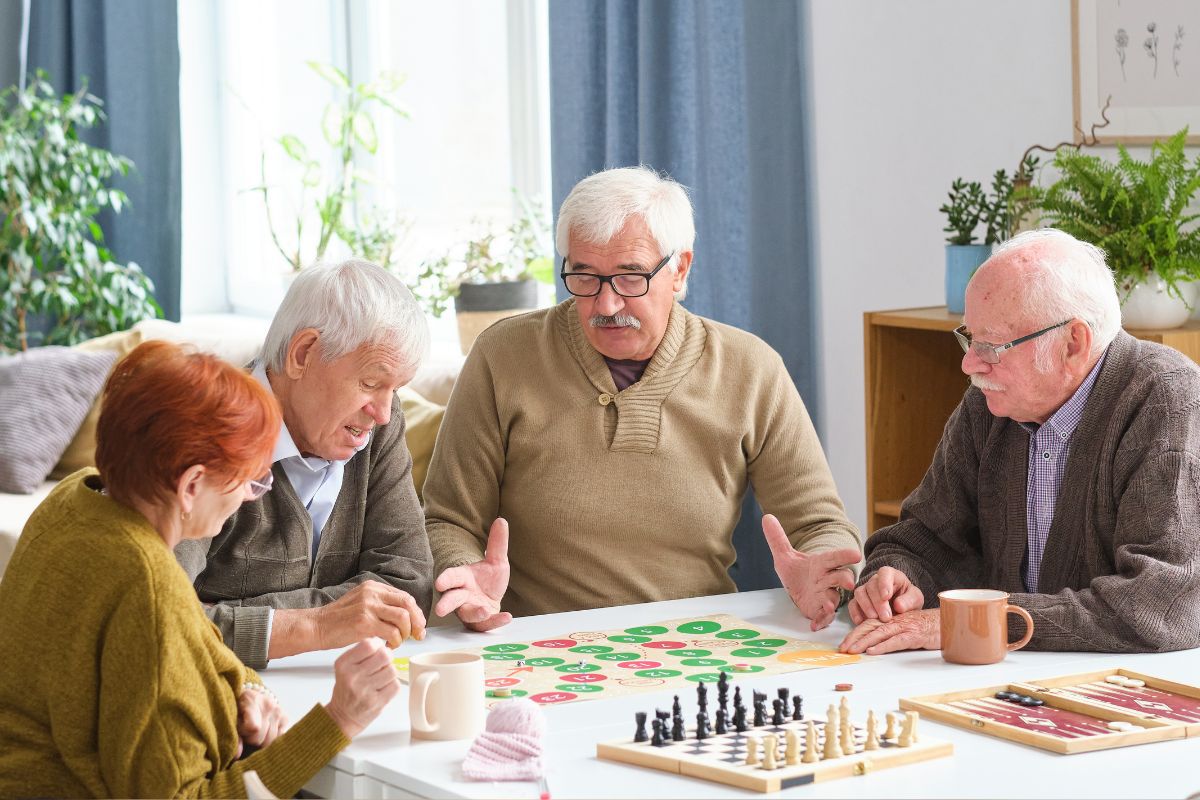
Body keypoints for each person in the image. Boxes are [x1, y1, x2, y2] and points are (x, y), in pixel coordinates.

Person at [425, 166, 861, 631]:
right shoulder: (503, 356)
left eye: (631, 276)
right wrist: (464, 575)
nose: (606, 305)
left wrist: (825, 571)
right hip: (536, 639)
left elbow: (818, 525)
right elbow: (448, 520)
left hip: (695, 642)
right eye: (584, 276)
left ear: (680, 269)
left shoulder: (750, 368)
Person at [0, 341, 401, 798]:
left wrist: (244, 688)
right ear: (191, 485)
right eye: (248, 480)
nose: (248, 496)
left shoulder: (76, 499)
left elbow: (196, 639)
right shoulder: (147, 584)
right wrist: (339, 719)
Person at [839, 229, 1200, 656]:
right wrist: (894, 577)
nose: (969, 363)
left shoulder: (1166, 400)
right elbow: (925, 537)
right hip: (1008, 674)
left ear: (1073, 343)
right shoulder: (990, 404)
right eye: (969, 337)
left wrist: (974, 623)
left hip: (1134, 688)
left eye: (992, 345)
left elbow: (1160, 607)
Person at [176, 259, 434, 669]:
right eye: (370, 383)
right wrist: (316, 626)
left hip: (339, 681)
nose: (383, 412)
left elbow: (407, 585)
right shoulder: (206, 428)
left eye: (394, 389)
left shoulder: (377, 425)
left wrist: (231, 615)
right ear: (302, 354)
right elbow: (164, 624)